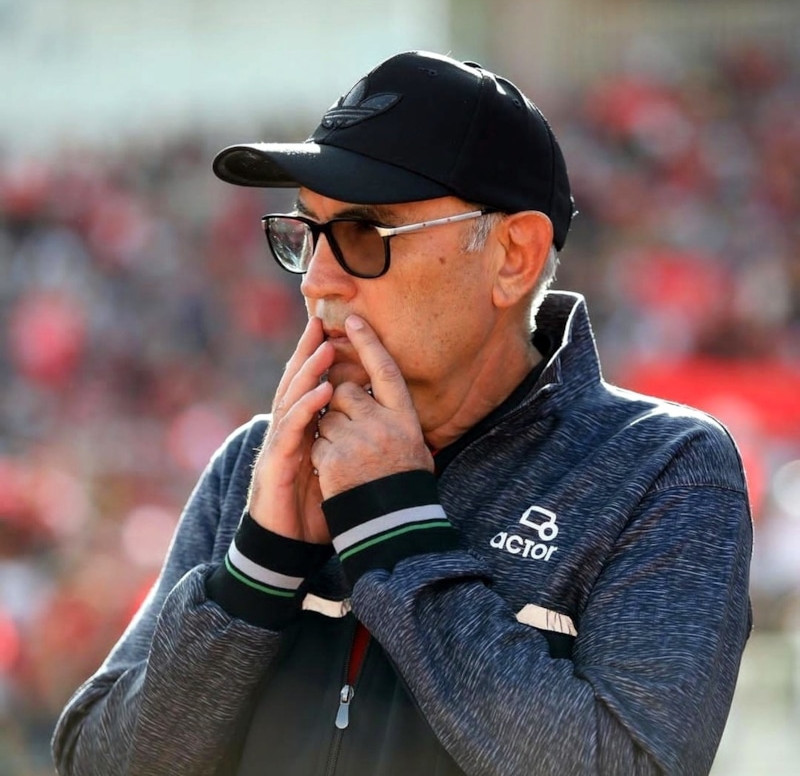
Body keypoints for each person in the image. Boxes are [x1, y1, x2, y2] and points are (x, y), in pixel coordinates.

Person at [51, 50, 752, 776]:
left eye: (364, 235)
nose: (317, 281)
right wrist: (258, 570)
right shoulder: (255, 465)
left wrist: (394, 527)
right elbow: (94, 763)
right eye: (308, 233)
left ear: (513, 256)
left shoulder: (662, 470)